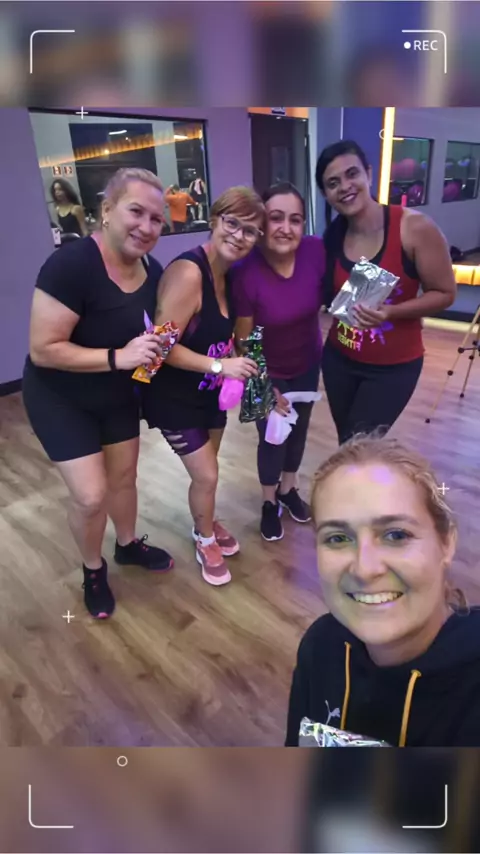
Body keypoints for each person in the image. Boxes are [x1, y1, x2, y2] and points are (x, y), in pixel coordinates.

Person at [23, 168, 174, 620]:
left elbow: (157, 336)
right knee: (91, 497)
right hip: (60, 396)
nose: (147, 226)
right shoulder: (71, 265)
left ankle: (127, 545)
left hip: (116, 394)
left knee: (124, 479)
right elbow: (43, 349)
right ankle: (93, 569)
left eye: (157, 219)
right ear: (106, 211)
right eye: (136, 212)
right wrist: (118, 358)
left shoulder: (153, 271)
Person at [285, 433, 480, 747]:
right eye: (337, 538)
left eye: (396, 535)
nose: (365, 568)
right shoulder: (320, 647)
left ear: (446, 542)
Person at [141, 187, 264, 586]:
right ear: (213, 221)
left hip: (208, 395)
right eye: (232, 223)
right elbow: (159, 350)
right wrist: (219, 365)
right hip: (172, 398)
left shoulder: (230, 275)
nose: (239, 235)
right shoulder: (188, 273)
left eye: (250, 230)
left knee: (207, 474)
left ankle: (205, 520)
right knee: (208, 475)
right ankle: (204, 538)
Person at [316, 140, 456, 445]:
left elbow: (445, 293)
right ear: (326, 194)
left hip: (392, 369)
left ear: (368, 173)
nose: (345, 186)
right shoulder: (332, 238)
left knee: (357, 447)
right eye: (333, 183)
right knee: (347, 444)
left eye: (352, 174)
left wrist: (392, 312)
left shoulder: (414, 228)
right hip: (339, 360)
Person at [232, 183, 325, 542]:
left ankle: (289, 489)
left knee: (298, 432)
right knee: (272, 437)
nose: (286, 228)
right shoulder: (246, 271)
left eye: (295, 219)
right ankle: (269, 501)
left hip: (306, 361)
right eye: (276, 218)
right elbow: (244, 341)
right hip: (263, 369)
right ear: (261, 223)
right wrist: (266, 388)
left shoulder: (315, 251)